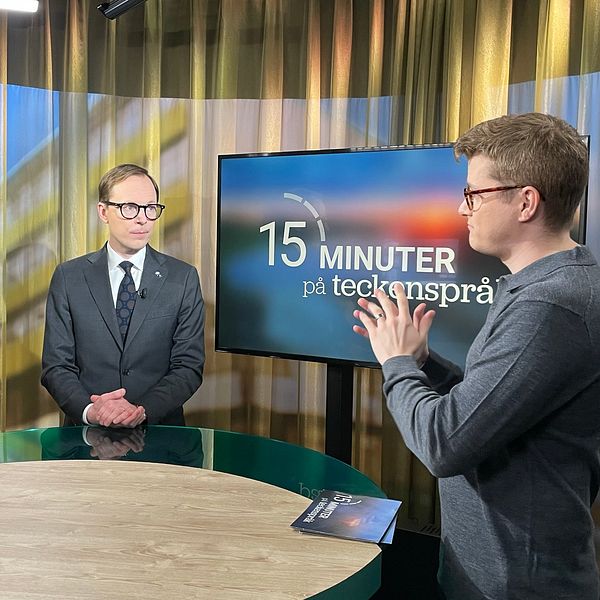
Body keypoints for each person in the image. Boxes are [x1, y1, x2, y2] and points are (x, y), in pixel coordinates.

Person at [353, 113, 600, 599]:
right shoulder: (550, 287)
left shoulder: (548, 305)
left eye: (474, 193)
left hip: (517, 584)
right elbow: (494, 411)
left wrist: (397, 363)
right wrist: (427, 365)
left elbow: (446, 445)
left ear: (526, 201)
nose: (463, 209)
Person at [42, 163, 205, 428]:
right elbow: (56, 366)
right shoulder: (69, 277)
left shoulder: (182, 278)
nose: (142, 219)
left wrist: (141, 410)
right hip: (84, 437)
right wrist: (90, 410)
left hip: (159, 434)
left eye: (150, 208)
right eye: (129, 208)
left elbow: (188, 367)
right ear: (103, 211)